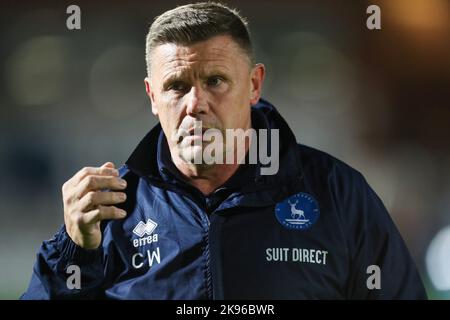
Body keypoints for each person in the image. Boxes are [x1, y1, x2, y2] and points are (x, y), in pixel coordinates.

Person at [21, 2, 427, 299]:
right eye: (176, 86)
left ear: (253, 85)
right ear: (151, 95)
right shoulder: (110, 210)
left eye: (215, 81)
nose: (195, 103)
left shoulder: (337, 193)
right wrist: (74, 250)